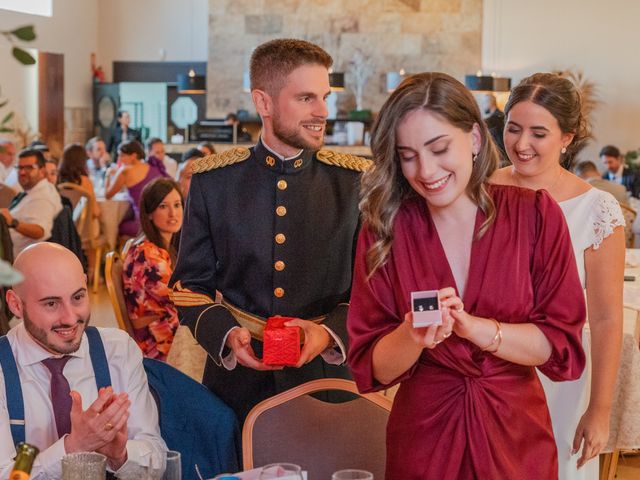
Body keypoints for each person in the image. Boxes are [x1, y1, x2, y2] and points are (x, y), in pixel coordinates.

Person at [347, 72, 586, 479]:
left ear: (475, 139)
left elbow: (559, 345)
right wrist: (412, 335)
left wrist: (479, 330)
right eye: (407, 155)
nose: (425, 170)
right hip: (424, 436)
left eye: (439, 149)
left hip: (516, 433)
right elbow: (373, 367)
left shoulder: (535, 216)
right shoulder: (385, 229)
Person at [170, 38, 370, 420]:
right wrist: (227, 334)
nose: (323, 111)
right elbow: (189, 286)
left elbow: (373, 286)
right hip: (237, 386)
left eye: (325, 97)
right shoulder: (215, 181)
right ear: (263, 102)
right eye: (306, 98)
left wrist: (328, 333)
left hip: (327, 381)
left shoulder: (353, 182)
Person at [491, 72, 624, 479]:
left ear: (566, 138)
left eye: (538, 133)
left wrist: (599, 411)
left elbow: (605, 319)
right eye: (513, 129)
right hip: (487, 371)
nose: (521, 144)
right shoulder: (480, 190)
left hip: (560, 378)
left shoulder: (596, 209)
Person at [0, 242, 166, 478]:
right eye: (51, 303)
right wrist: (74, 448)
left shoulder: (117, 350)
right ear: (16, 304)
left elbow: (157, 457)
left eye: (78, 297)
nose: (70, 318)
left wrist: (121, 455)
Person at [123, 179, 183, 361]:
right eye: (163, 206)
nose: (173, 213)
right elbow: (180, 295)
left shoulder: (155, 247)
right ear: (149, 213)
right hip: (157, 340)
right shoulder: (148, 254)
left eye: (177, 205)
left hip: (163, 329)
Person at [0, 149, 63, 257]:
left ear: (42, 171)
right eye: (20, 167)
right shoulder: (39, 189)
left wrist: (12, 222)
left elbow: (40, 231)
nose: (22, 172)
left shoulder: (43, 198)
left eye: (29, 167)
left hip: (13, 256)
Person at [105, 140, 167, 237]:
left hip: (143, 224)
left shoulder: (125, 171)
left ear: (133, 156)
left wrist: (107, 174)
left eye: (122, 155)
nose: (119, 159)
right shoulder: (152, 166)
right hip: (162, 219)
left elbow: (108, 195)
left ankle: (120, 250)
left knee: (116, 226)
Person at [480, 93, 507, 164]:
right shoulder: (503, 115)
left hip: (501, 159)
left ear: (489, 103)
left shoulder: (493, 120)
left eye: (483, 103)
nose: (482, 106)